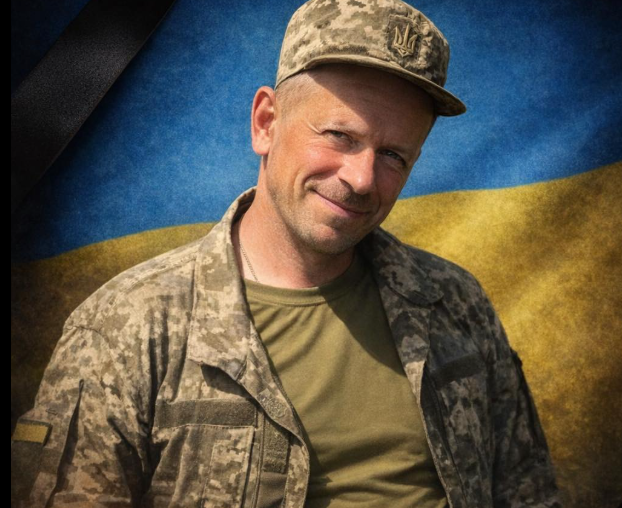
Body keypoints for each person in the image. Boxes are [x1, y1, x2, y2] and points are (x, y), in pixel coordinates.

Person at [11, 0, 561, 506]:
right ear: (266, 123)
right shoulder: (127, 328)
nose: (362, 179)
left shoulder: (455, 305)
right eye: (340, 136)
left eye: (394, 155)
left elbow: (528, 493)